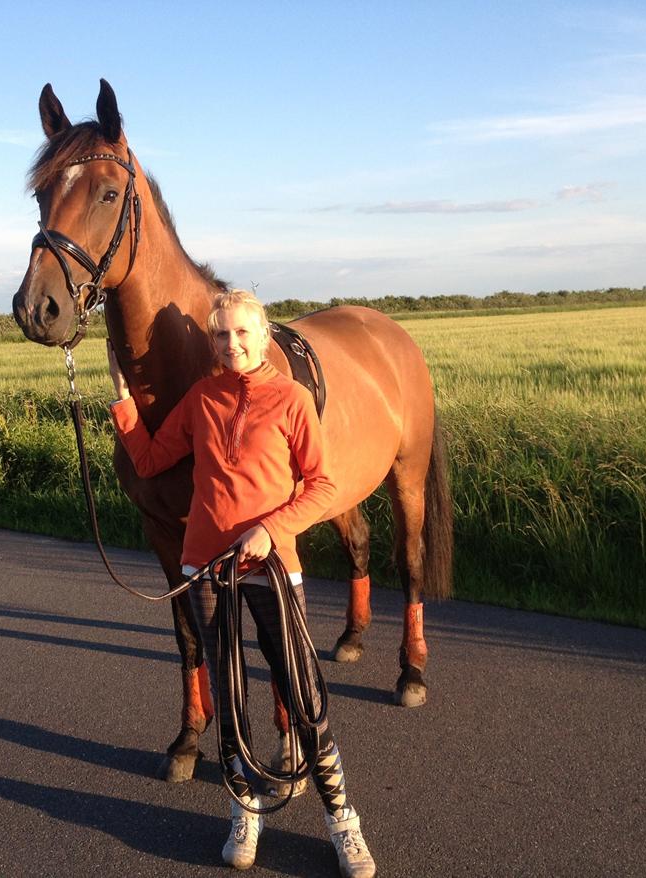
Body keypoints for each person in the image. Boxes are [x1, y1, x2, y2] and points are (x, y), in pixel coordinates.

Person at [105, 289, 376, 878]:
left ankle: (342, 820)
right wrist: (123, 407)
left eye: (243, 333)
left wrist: (270, 528)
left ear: (263, 335)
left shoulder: (292, 399)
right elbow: (152, 460)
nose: (233, 344)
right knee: (228, 692)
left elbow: (324, 487)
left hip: (273, 566)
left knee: (303, 692)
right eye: (222, 335)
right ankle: (244, 808)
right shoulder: (202, 398)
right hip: (204, 567)